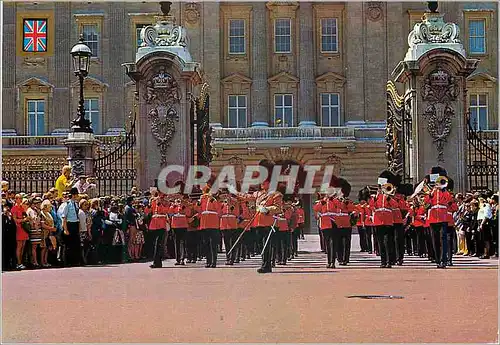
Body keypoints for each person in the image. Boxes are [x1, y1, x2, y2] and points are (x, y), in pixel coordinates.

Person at [61, 188, 81, 266]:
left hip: (75, 224)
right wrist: (65, 229)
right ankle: (68, 261)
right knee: (69, 244)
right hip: (69, 224)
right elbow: (64, 217)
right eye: (76, 194)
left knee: (76, 243)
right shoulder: (67, 204)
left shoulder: (76, 204)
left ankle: (75, 260)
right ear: (73, 195)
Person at [11, 195, 29, 270]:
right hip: (18, 228)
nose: (21, 200)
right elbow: (15, 220)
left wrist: (25, 219)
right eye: (19, 198)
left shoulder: (22, 208)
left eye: (21, 198)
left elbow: (25, 216)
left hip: (23, 228)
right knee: (19, 246)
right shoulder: (14, 208)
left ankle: (21, 262)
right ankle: (18, 263)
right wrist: (24, 220)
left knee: (23, 246)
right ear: (16, 199)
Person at [2, 201, 17, 271]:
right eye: (6, 207)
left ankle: (11, 264)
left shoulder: (10, 216)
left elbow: (14, 226)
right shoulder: (3, 216)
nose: (7, 208)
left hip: (11, 236)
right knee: (5, 251)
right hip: (5, 236)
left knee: (12, 250)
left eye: (8, 207)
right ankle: (4, 265)